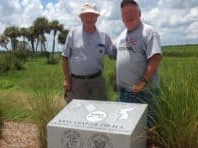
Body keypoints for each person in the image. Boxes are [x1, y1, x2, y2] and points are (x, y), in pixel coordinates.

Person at [115, 0, 162, 128]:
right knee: (127, 127)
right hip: (125, 92)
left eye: (132, 12)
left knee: (147, 127)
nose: (129, 15)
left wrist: (143, 81)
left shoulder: (148, 32)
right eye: (125, 13)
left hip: (144, 92)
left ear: (139, 13)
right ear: (122, 17)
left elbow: (156, 57)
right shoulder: (121, 36)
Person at [61, 2, 116, 103]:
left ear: (97, 17)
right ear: (81, 18)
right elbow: (64, 57)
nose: (89, 18)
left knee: (99, 111)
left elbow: (114, 54)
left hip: (97, 81)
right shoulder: (73, 33)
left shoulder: (104, 36)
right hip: (76, 82)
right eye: (86, 15)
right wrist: (67, 79)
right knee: (75, 112)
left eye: (92, 15)